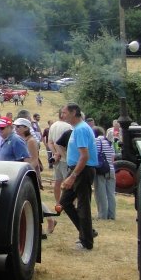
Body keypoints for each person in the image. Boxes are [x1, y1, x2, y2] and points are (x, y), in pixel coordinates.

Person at [59, 103, 97, 251]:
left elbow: (84, 156)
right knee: (65, 201)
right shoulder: (77, 129)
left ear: (74, 112)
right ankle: (88, 232)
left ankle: (86, 242)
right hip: (77, 169)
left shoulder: (81, 129)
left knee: (83, 206)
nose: (63, 116)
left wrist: (73, 176)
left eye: (65, 113)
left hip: (82, 170)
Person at [47, 107, 72, 206]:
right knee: (68, 183)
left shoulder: (53, 125)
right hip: (66, 158)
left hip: (56, 158)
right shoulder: (69, 127)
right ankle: (68, 204)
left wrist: (55, 154)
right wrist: (60, 154)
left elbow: (50, 142)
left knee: (57, 182)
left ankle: (58, 203)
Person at [93, 126, 116, 220]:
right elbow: (112, 157)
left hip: (101, 170)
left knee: (100, 193)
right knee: (111, 193)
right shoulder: (109, 142)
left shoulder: (97, 141)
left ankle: (102, 215)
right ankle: (112, 215)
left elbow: (95, 154)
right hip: (111, 169)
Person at [14, 118, 42, 186]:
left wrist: (26, 172)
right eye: (15, 126)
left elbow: (35, 160)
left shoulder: (31, 141)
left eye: (18, 126)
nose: (16, 128)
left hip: (28, 172)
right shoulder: (18, 139)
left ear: (26, 128)